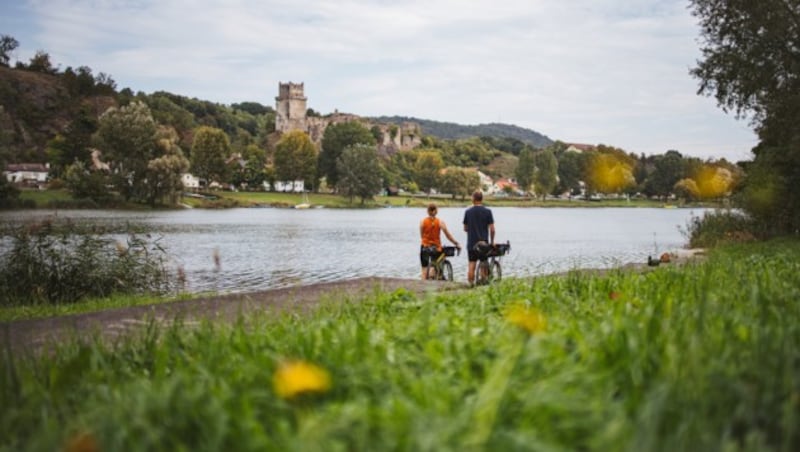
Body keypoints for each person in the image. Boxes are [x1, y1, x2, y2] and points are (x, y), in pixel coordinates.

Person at [419, 203, 460, 280]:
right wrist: (456, 243)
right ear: (436, 211)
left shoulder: (422, 222)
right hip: (436, 248)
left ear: (427, 211)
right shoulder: (440, 222)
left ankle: (423, 284)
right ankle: (433, 273)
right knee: (439, 259)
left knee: (424, 269)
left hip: (424, 247)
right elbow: (448, 236)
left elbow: (422, 236)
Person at [463, 190, 495, 285]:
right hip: (484, 244)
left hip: (471, 243)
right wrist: (492, 241)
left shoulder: (468, 212)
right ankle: (483, 284)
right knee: (484, 263)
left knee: (471, 264)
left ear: (473, 199)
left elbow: (465, 228)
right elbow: (492, 229)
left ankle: (470, 285)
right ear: (482, 199)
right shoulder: (488, 212)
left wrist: (471, 230)